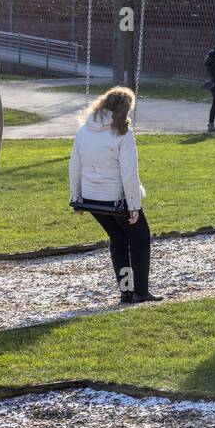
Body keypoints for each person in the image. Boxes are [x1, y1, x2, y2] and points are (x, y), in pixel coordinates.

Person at [69, 87, 162, 304]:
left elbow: (75, 166)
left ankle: (126, 292)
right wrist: (133, 206)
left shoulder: (83, 131)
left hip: (92, 199)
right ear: (125, 110)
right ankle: (141, 291)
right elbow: (129, 174)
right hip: (116, 199)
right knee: (139, 240)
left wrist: (77, 198)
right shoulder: (123, 134)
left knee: (118, 240)